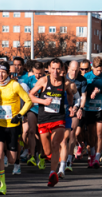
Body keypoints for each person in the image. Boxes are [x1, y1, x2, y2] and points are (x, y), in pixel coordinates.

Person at [0, 61, 33, 195]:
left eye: (3, 72)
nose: (0, 74)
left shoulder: (15, 85)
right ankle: (2, 185)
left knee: (12, 159)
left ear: (8, 73)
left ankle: (15, 150)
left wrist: (20, 115)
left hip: (13, 124)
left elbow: (29, 101)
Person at [29, 58, 74, 187]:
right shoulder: (43, 80)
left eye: (58, 68)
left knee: (56, 144)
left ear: (62, 70)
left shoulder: (65, 83)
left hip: (58, 118)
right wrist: (43, 102)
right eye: (53, 68)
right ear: (48, 69)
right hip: (43, 119)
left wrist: (70, 107)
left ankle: (52, 174)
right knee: (47, 150)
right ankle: (51, 159)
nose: (55, 71)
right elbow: (30, 95)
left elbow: (70, 95)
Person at [83, 57, 102, 168]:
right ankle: (92, 154)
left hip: (101, 107)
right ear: (92, 67)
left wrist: (99, 91)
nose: (99, 72)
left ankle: (97, 158)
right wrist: (91, 92)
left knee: (100, 133)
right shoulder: (87, 76)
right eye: (97, 70)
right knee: (91, 134)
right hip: (89, 108)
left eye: (101, 70)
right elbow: (83, 91)